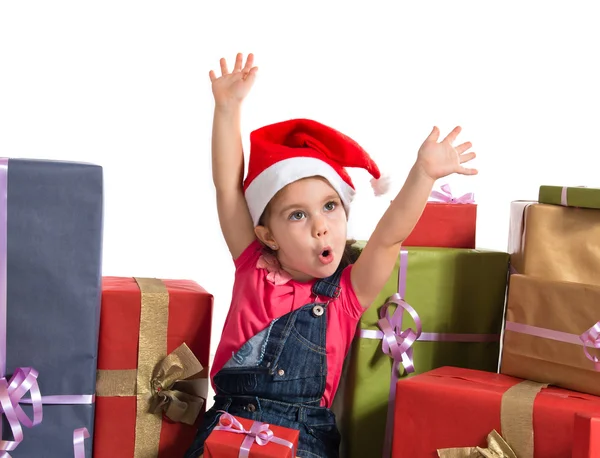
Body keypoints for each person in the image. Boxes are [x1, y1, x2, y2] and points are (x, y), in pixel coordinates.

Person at [184, 53, 477, 458]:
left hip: (302, 438)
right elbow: (228, 188)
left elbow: (390, 237)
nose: (320, 226)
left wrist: (423, 174)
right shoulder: (251, 263)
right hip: (229, 426)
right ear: (267, 235)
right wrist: (227, 109)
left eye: (330, 206)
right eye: (298, 215)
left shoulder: (345, 294)